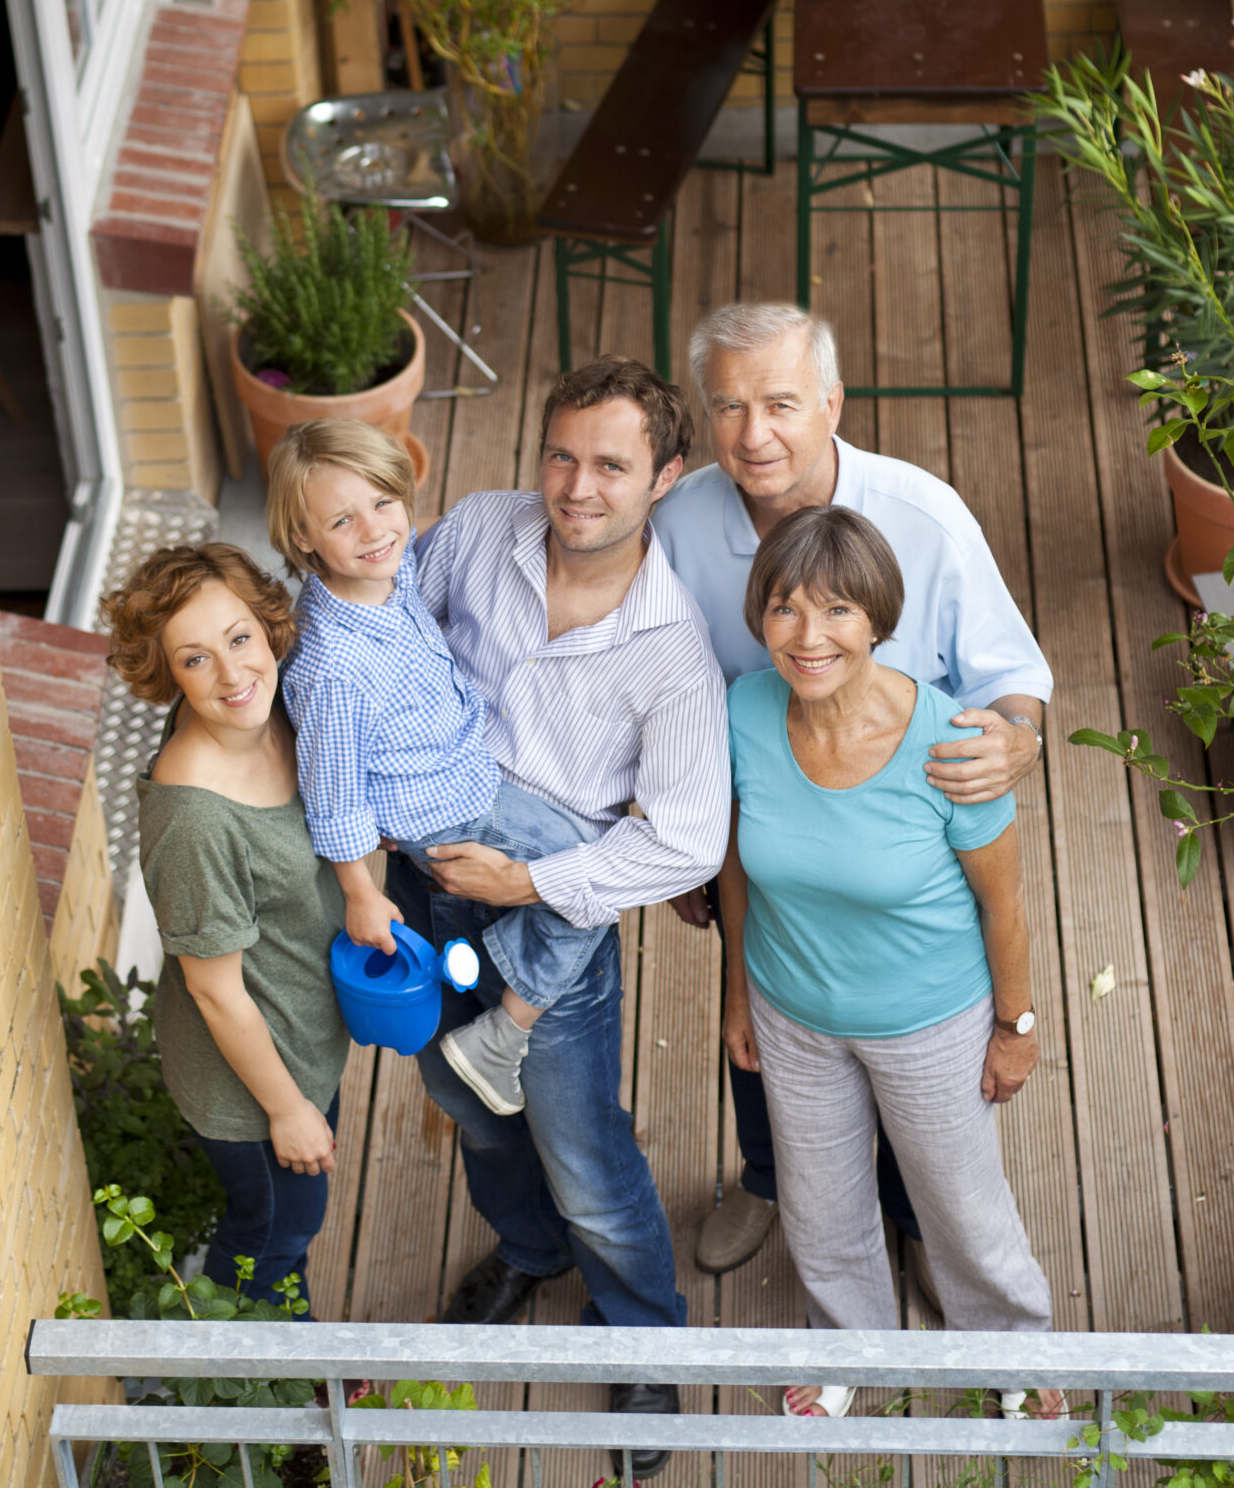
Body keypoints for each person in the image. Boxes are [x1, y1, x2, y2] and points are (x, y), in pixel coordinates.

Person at [649, 301, 1056, 1289]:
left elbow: (1010, 673)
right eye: (730, 407)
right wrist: (668, 831)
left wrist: (1016, 739)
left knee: (926, 1094)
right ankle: (772, 1178)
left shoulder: (921, 515)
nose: (755, 435)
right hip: (751, 825)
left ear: (831, 401)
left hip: (901, 835)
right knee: (767, 1024)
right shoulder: (674, 526)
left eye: (781, 403)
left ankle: (921, 1217)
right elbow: (641, 678)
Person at [393, 358, 730, 1481]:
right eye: (563, 455)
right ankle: (527, 1252)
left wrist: (528, 886)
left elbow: (685, 841)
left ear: (665, 478)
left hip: (545, 925)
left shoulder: (672, 653)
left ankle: (641, 1335)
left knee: (584, 1152)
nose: (578, 486)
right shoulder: (482, 530)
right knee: (461, 1094)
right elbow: (396, 618)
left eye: (612, 465)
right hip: (420, 884)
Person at [717, 506, 1058, 1419]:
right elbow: (738, 868)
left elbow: (1006, 907)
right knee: (820, 1206)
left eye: (835, 611)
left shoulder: (953, 744)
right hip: (794, 1014)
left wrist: (1016, 1028)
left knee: (962, 1209)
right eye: (785, 610)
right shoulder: (744, 713)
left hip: (930, 1022)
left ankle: (1016, 1353)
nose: (808, 635)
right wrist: (739, 997)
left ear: (876, 618)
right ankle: (849, 1348)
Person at [267, 418, 604, 1118]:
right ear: (303, 539)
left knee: (583, 855)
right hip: (444, 813)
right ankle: (503, 1033)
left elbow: (426, 536)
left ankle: (504, 966)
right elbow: (332, 794)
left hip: (465, 772)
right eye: (342, 520)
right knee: (597, 876)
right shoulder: (333, 663)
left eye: (385, 503)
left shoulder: (394, 573)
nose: (374, 530)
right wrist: (360, 893)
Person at [102, 542, 349, 1312]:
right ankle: (240, 1394)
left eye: (239, 639)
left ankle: (296, 1351)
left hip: (298, 1030)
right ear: (167, 675)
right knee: (274, 1229)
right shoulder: (195, 819)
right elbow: (217, 995)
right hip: (250, 1082)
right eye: (195, 660)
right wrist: (286, 1109)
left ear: (266, 625)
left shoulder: (272, 708)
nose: (233, 675)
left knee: (288, 1231)